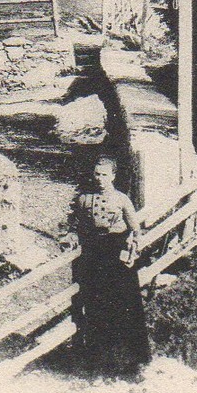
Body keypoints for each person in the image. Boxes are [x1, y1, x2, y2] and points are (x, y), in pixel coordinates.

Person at [69, 154, 151, 379]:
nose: (100, 179)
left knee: (123, 304)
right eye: (97, 174)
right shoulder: (84, 198)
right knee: (96, 304)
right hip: (94, 253)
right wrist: (71, 235)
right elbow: (73, 223)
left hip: (116, 255)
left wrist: (133, 247)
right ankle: (98, 359)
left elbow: (135, 230)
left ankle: (129, 361)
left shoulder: (122, 199)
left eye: (104, 175)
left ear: (113, 176)